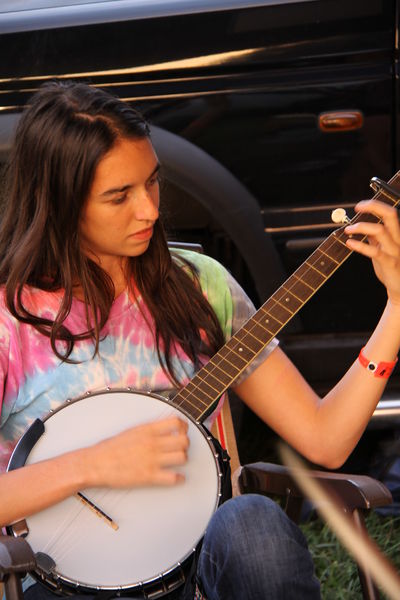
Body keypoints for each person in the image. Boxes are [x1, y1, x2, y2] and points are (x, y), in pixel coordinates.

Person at [0, 80, 400, 600]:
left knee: (253, 521)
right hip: (60, 582)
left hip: (198, 574)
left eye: (152, 182)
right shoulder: (12, 320)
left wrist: (396, 307)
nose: (148, 209)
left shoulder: (200, 284)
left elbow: (326, 439)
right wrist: (97, 463)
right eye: (118, 196)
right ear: (58, 203)